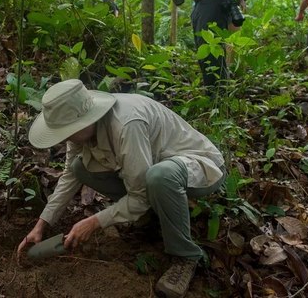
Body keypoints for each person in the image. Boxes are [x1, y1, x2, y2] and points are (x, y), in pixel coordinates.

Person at [17, 79, 226, 298]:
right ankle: (152, 215)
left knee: (159, 177)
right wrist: (42, 224)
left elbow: (141, 193)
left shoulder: (127, 124)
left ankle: (185, 256)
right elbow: (70, 174)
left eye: (67, 131)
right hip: (152, 169)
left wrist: (94, 222)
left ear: (84, 121)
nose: (64, 137)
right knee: (80, 167)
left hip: (197, 166)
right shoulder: (79, 130)